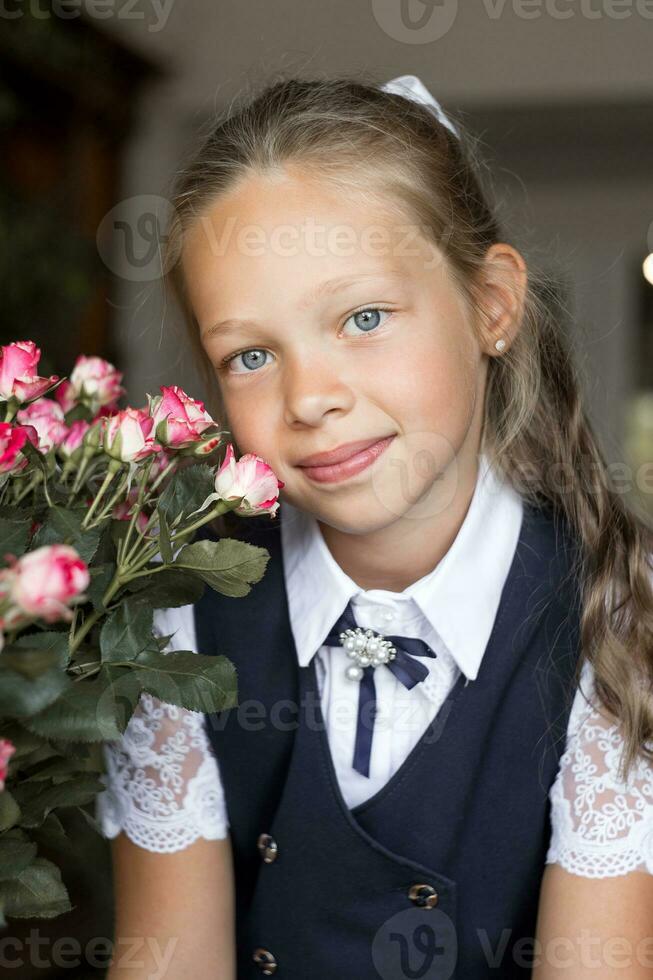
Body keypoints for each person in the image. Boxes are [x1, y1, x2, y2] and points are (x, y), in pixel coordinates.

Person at [96, 73, 653, 979]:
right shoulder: (179, 620)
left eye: (363, 318)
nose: (310, 397)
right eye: (250, 355)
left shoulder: (621, 625)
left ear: (491, 306)